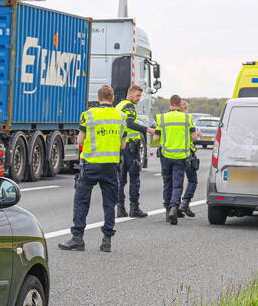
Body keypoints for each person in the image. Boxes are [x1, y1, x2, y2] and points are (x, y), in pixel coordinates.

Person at [59, 85, 125, 252]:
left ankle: (77, 238)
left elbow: (80, 140)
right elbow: (122, 144)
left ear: (98, 97)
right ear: (112, 98)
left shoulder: (88, 114)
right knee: (109, 202)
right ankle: (107, 240)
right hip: (110, 166)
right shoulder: (121, 116)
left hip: (91, 165)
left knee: (82, 200)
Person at [157, 95, 199, 225]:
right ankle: (174, 207)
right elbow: (193, 137)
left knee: (167, 184)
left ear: (170, 104)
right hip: (181, 156)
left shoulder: (162, 117)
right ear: (179, 103)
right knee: (177, 185)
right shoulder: (187, 118)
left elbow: (155, 139)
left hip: (165, 156)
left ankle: (167, 211)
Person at [114, 84, 155, 218]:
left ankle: (120, 209)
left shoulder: (118, 106)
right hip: (131, 148)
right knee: (134, 179)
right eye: (137, 96)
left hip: (120, 148)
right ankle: (134, 208)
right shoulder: (129, 106)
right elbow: (130, 123)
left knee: (121, 180)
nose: (139, 98)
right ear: (130, 94)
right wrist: (147, 129)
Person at [178, 99, 199, 218]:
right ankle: (185, 203)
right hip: (188, 154)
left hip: (174, 154)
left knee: (177, 182)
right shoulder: (187, 120)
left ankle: (182, 206)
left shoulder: (172, 119)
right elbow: (193, 137)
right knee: (192, 180)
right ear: (185, 109)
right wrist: (197, 134)